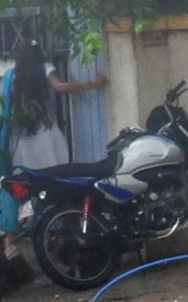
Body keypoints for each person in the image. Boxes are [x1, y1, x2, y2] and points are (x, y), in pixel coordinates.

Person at [1, 39, 108, 277]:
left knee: (24, 189)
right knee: (57, 186)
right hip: (47, 139)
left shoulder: (11, 76)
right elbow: (61, 88)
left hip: (22, 142)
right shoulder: (45, 68)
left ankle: (11, 241)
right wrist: (92, 84)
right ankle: (57, 230)